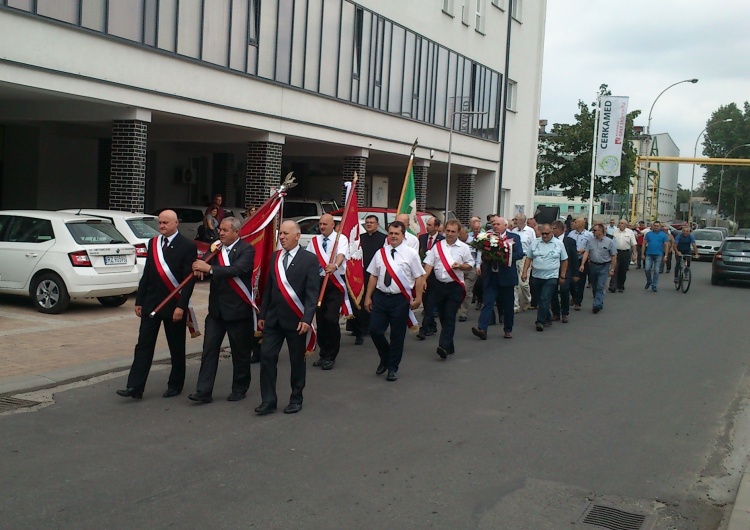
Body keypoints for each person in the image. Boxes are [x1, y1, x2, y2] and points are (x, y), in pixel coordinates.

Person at [117, 210, 197, 400]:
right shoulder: (153, 243)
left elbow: (189, 280)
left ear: (176, 223)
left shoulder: (187, 246)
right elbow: (147, 274)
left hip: (174, 304)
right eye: (160, 223)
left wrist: (182, 307)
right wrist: (139, 300)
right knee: (143, 345)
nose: (162, 226)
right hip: (152, 304)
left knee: (176, 346)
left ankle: (175, 384)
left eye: (166, 223)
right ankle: (134, 387)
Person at [255, 221, 320, 415]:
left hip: (296, 320)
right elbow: (269, 288)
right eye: (280, 233)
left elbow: (312, 293)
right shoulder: (275, 257)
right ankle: (268, 400)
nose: (281, 237)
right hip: (274, 320)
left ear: (297, 236)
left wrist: (307, 319)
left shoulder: (309, 259)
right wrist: (263, 313)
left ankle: (296, 398)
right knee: (267, 357)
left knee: (296, 361)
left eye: (285, 233)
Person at [189, 217, 255, 403]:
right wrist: (200, 268)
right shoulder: (215, 248)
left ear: (236, 232)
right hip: (216, 312)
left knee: (240, 352)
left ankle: (240, 387)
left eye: (226, 230)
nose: (222, 233)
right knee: (209, 350)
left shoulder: (246, 249)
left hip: (237, 311)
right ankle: (203, 390)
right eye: (220, 230)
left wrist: (209, 269)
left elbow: (237, 269)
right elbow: (205, 263)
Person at [364, 221, 425, 381]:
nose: (393, 236)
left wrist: (418, 298)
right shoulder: (380, 253)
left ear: (403, 236)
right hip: (381, 297)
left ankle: (392, 367)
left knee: (397, 335)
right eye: (390, 233)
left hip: (400, 299)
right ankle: (385, 357)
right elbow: (373, 275)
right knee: (375, 330)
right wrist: (368, 296)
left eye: (396, 234)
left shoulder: (410, 254)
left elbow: (419, 277)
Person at [422, 219, 474, 359]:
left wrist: (461, 266)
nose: (450, 234)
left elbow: (470, 265)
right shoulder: (437, 246)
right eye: (448, 231)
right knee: (443, 316)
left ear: (458, 233)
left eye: (453, 232)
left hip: (454, 286)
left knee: (450, 315)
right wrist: (423, 280)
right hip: (439, 286)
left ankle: (443, 346)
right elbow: (429, 264)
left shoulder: (463, 248)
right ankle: (449, 344)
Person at [306, 213, 349, 371]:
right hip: (318, 282)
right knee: (321, 320)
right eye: (320, 224)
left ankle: (331, 355)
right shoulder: (315, 241)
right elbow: (310, 259)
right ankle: (323, 353)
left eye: (325, 224)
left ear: (332, 225)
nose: (322, 226)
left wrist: (335, 266)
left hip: (334, 283)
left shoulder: (341, 239)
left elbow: (341, 255)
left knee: (331, 319)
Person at [471, 216, 523, 340]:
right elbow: (482, 253)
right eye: (493, 224)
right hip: (491, 276)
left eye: (498, 224)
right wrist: (487, 257)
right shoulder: (487, 238)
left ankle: (508, 329)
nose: (495, 226)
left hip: (506, 276)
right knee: (487, 302)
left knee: (508, 305)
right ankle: (482, 328)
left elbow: (519, 254)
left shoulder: (514, 238)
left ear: (505, 226)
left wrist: (504, 255)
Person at [521, 223, 568, 330]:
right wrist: (524, 272)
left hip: (551, 276)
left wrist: (562, 275)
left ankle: (540, 321)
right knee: (539, 299)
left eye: (547, 233)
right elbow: (528, 258)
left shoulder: (559, 243)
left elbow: (564, 260)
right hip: (536, 276)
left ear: (552, 232)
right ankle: (547, 317)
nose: (545, 236)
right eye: (543, 233)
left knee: (544, 298)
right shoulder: (535, 242)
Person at [350, 215, 387, 344]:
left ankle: (374, 326)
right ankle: (360, 328)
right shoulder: (360, 239)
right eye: (367, 222)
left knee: (374, 301)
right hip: (360, 275)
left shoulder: (383, 239)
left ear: (377, 224)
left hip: (376, 275)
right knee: (359, 303)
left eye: (372, 222)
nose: (369, 224)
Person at [579, 223, 617, 313]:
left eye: (595, 230)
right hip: (593, 265)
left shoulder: (609, 241)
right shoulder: (591, 241)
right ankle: (599, 301)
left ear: (600, 231)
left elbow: (614, 255)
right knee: (595, 286)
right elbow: (586, 252)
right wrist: (582, 264)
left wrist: (612, 269)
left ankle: (596, 304)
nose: (593, 232)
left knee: (600, 285)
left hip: (604, 266)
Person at [417, 216, 445, 339]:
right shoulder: (422, 238)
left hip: (435, 275)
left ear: (437, 227)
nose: (427, 227)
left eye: (429, 225)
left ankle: (423, 329)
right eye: (427, 224)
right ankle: (432, 325)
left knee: (430, 302)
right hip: (423, 273)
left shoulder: (442, 240)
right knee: (425, 300)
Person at [550, 220, 578, 323]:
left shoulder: (570, 241)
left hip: (566, 268)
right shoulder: (550, 240)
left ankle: (565, 312)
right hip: (553, 268)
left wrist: (576, 273)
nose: (553, 231)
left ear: (561, 229)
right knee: (552, 290)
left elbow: (574, 258)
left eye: (554, 229)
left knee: (564, 289)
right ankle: (556, 312)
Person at [511, 213, 536, 313]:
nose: (514, 221)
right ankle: (515, 305)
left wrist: (533, 260)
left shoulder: (530, 231)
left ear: (521, 220)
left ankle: (527, 300)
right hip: (515, 257)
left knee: (523, 283)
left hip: (526, 257)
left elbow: (533, 245)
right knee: (515, 283)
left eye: (516, 219)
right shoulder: (513, 231)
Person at [568, 217, 593, 311]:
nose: (574, 223)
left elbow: (590, 247)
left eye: (576, 222)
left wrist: (584, 251)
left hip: (582, 259)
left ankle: (578, 302)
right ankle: (574, 295)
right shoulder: (571, 234)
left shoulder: (588, 235)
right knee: (570, 280)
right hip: (572, 259)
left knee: (581, 281)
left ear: (582, 224)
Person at [461, 219, 483, 318]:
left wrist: (478, 266)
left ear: (466, 233)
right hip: (459, 269)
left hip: (471, 269)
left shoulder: (473, 242)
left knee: (466, 290)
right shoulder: (456, 243)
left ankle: (463, 312)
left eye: (461, 233)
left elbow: (479, 254)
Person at [609, 219, 637, 293]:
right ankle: (613, 286)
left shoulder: (630, 232)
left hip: (625, 253)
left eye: (622, 223)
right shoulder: (615, 231)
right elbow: (611, 242)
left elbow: (633, 244)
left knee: (623, 270)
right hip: (616, 252)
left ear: (625, 225)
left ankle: (621, 285)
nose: (620, 224)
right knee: (614, 269)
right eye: (619, 223)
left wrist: (634, 254)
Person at [641, 220, 669, 292]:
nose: (656, 227)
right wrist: (642, 254)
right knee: (647, 269)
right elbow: (644, 244)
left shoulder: (663, 235)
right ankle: (649, 280)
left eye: (658, 226)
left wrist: (666, 255)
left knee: (656, 271)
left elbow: (666, 245)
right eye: (655, 226)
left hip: (659, 255)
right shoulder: (648, 234)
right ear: (652, 226)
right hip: (649, 254)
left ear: (660, 227)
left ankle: (654, 285)